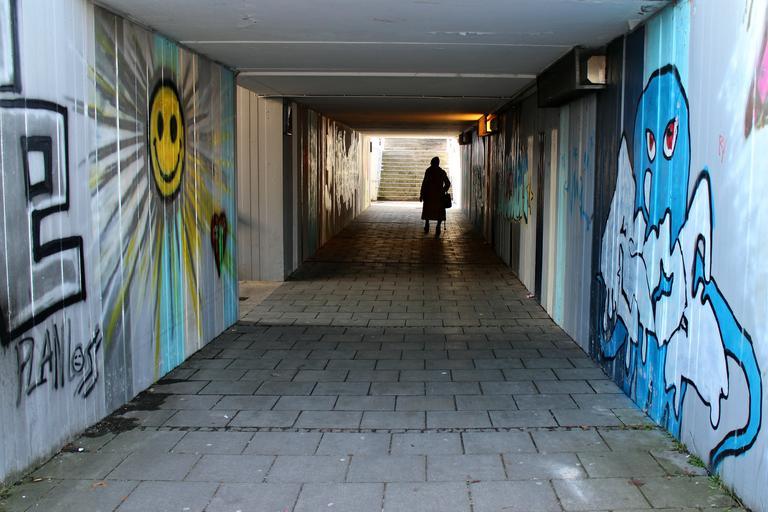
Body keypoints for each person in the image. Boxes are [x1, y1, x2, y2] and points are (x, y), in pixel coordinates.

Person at [419, 156, 451, 238]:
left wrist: (422, 194)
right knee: (440, 212)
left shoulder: (428, 171)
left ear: (432, 163)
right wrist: (443, 190)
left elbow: (424, 183)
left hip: (429, 195)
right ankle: (438, 226)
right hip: (439, 196)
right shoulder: (441, 172)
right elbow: (448, 183)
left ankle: (427, 225)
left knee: (427, 210)